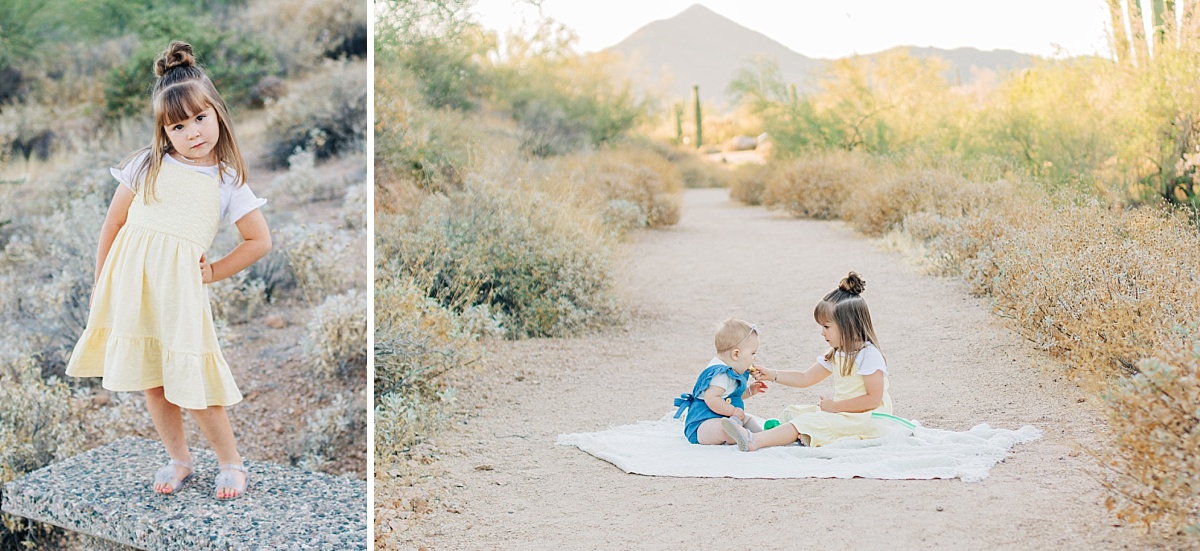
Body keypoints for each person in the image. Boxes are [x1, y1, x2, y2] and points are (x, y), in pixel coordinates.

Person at [66, 41, 271, 500]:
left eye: (200, 118)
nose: (193, 132)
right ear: (164, 131)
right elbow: (113, 224)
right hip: (132, 288)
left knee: (191, 382)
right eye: (179, 125)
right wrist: (102, 283)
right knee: (154, 383)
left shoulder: (226, 179)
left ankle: (231, 462)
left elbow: (259, 241)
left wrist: (214, 271)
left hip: (179, 293)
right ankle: (180, 458)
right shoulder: (147, 164)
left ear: (217, 113)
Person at [722, 272, 892, 451]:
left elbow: (873, 399)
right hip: (844, 413)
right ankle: (781, 436)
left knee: (807, 422)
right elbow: (805, 378)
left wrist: (835, 407)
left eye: (826, 327)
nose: (822, 333)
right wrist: (772, 374)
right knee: (792, 412)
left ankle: (753, 440)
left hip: (867, 418)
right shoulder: (837, 353)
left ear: (848, 325)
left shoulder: (869, 355)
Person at [674, 318, 769, 445]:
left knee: (747, 420)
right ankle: (740, 436)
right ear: (736, 355)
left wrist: (750, 391)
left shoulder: (732, 371)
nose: (755, 357)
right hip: (703, 423)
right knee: (721, 428)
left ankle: (762, 436)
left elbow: (731, 395)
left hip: (725, 418)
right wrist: (732, 411)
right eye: (753, 353)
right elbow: (712, 399)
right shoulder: (720, 374)